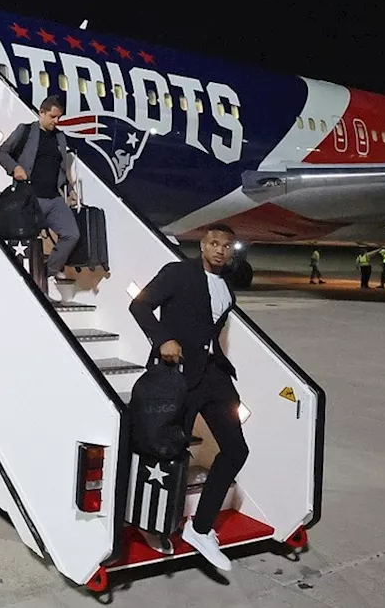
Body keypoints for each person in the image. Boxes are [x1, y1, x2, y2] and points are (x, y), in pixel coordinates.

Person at [128, 223, 248, 572]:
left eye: (227, 245)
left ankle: (200, 528)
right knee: (166, 451)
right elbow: (139, 307)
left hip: (213, 375)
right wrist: (162, 339)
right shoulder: (178, 273)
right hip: (177, 376)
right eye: (214, 243)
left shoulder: (226, 286)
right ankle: (153, 523)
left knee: (236, 450)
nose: (221, 250)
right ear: (202, 246)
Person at [0, 95, 80, 287]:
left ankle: (46, 271)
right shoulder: (25, 130)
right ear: (41, 113)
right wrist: (14, 168)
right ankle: (28, 278)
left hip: (54, 198)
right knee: (29, 240)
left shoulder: (60, 137)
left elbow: (61, 168)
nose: (56, 121)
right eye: (52, 117)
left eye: (59, 118)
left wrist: (70, 190)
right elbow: (0, 153)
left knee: (72, 234)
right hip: (31, 198)